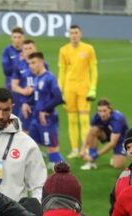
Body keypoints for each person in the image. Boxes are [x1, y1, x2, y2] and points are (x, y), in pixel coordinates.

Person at [58, 25, 97, 159]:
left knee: (84, 120)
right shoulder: (63, 50)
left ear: (80, 34)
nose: (74, 35)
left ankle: (85, 149)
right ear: (69, 35)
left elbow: (93, 69)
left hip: (84, 88)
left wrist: (93, 88)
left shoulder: (88, 49)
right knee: (72, 120)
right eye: (72, 33)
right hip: (69, 88)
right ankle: (74, 149)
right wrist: (59, 90)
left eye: (76, 33)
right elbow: (62, 71)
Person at [28, 51, 65, 164]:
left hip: (47, 120)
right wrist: (26, 103)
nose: (31, 66)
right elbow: (37, 97)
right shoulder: (37, 78)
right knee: (32, 146)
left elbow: (59, 98)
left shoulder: (49, 78)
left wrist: (44, 110)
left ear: (41, 62)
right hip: (35, 119)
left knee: (52, 149)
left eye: (34, 63)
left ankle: (63, 170)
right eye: (29, 63)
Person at [80, 98, 128, 170]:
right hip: (107, 134)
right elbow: (89, 133)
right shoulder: (96, 117)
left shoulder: (117, 119)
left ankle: (94, 157)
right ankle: (91, 162)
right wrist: (83, 149)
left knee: (117, 166)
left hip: (121, 139)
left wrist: (95, 155)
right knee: (94, 130)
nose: (102, 114)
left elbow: (113, 143)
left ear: (110, 110)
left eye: (104, 111)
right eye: (99, 111)